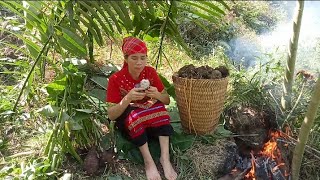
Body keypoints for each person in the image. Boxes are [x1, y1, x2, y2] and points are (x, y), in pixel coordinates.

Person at [106, 37, 177, 180]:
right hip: (130, 122)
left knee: (162, 111)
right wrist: (127, 98)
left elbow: (167, 100)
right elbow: (111, 115)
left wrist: (157, 94)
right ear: (126, 59)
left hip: (149, 117)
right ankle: (148, 162)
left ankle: (165, 158)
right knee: (134, 116)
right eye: (134, 58)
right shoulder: (116, 79)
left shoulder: (150, 72)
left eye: (143, 58)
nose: (139, 63)